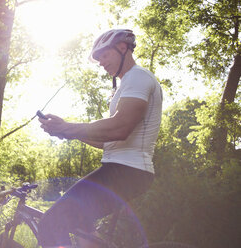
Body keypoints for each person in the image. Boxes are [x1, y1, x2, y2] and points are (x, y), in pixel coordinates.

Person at [37, 29, 163, 248]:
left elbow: (120, 128)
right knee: (83, 230)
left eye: (104, 55)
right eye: (98, 59)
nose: (101, 63)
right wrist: (66, 132)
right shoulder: (126, 84)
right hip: (121, 170)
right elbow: (109, 141)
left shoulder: (138, 77)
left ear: (123, 48)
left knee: (50, 223)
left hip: (126, 172)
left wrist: (69, 127)